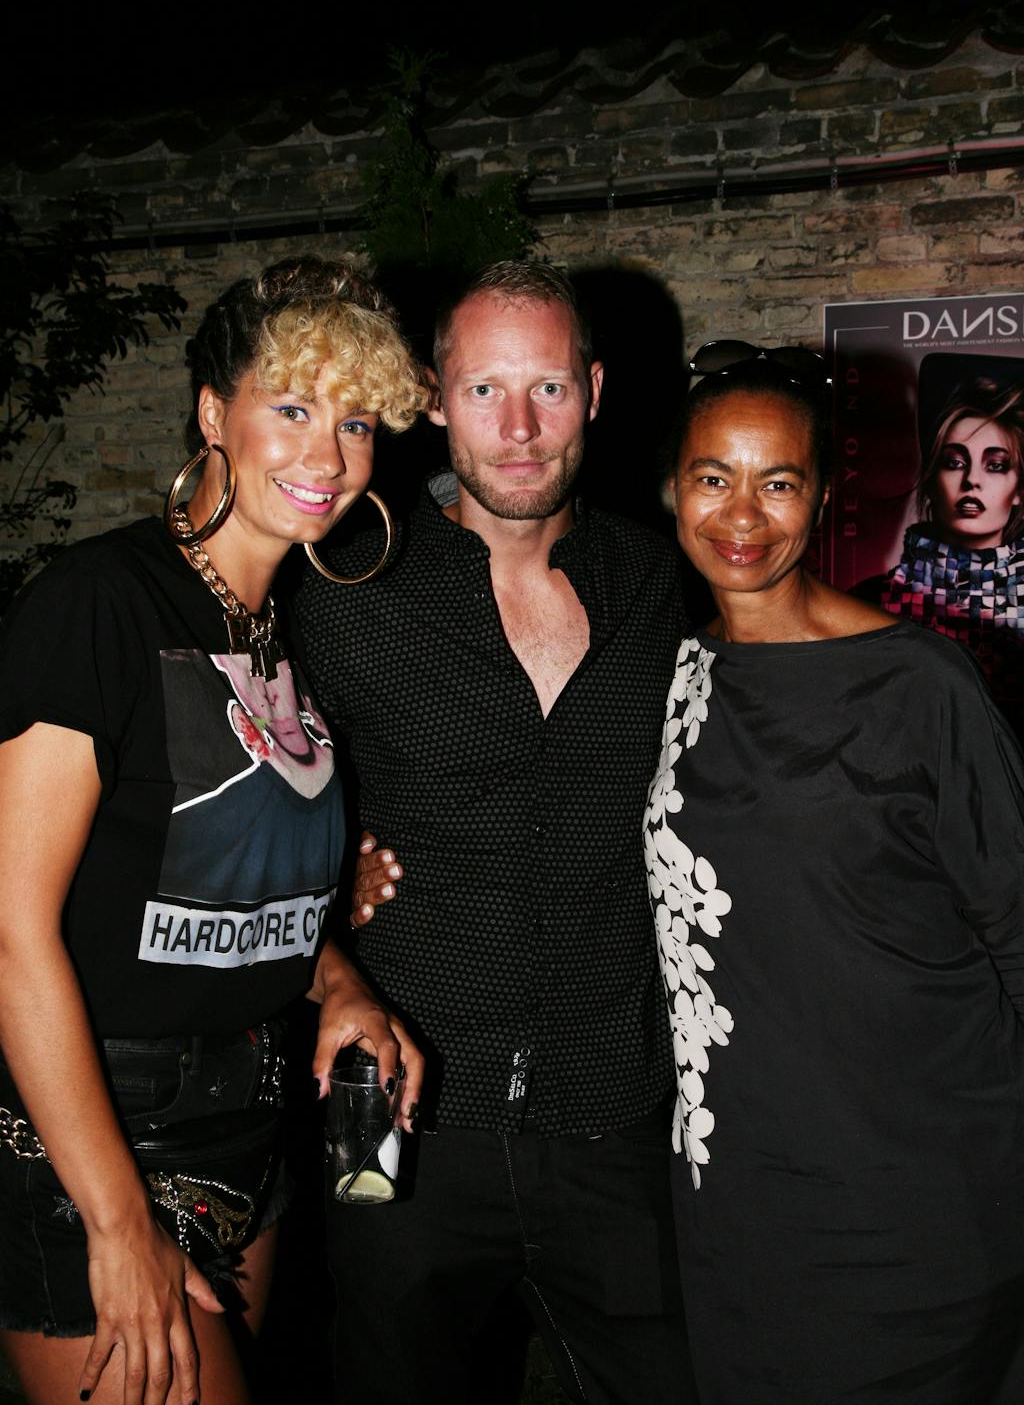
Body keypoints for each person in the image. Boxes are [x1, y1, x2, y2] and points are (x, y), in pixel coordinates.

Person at [0, 256, 425, 1405]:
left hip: (251, 1126)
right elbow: (11, 931)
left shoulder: (283, 631)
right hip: (97, 1134)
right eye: (290, 408)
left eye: (354, 420)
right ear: (210, 414)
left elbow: (230, 885)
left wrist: (339, 979)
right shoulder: (100, 602)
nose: (327, 456)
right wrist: (114, 1215)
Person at [294, 261, 696, 1405]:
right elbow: (254, 814)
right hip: (398, 1115)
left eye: (548, 388)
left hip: (615, 1111)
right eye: (484, 389)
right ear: (434, 396)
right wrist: (325, 890)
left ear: (595, 390)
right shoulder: (344, 588)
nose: (518, 429)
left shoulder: (657, 583)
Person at [646, 347, 1024, 1403]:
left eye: (778, 481)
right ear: (673, 489)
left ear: (821, 500)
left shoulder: (917, 682)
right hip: (741, 1196)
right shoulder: (670, 673)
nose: (742, 513)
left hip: (917, 1195)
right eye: (713, 476)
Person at [878, 374, 1024, 733]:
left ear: (1019, 489)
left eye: (996, 465)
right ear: (931, 478)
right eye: (955, 462)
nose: (972, 480)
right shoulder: (872, 601)